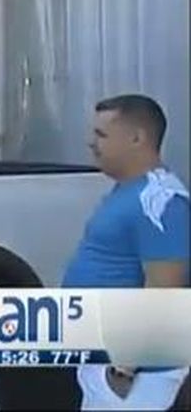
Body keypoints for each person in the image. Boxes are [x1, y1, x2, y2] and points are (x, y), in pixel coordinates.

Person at [62, 94, 189, 410]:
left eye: (101, 135)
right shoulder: (129, 190)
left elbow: (165, 289)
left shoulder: (160, 200)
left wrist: (123, 370)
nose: (91, 143)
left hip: (134, 372)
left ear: (136, 138)